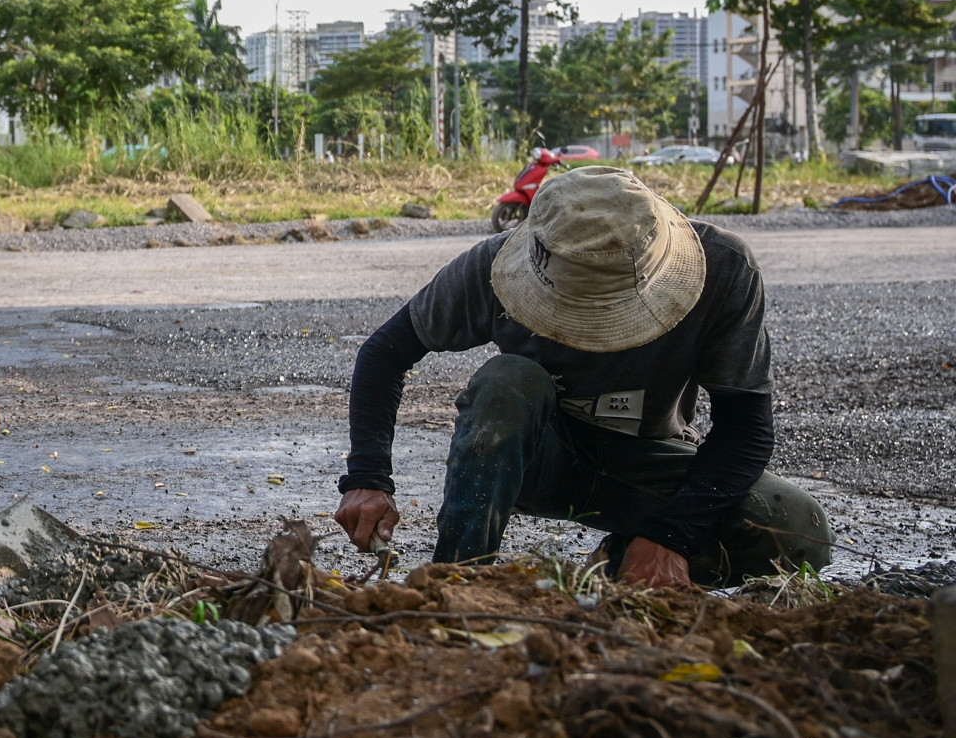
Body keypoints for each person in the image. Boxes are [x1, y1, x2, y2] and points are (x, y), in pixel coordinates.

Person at [334, 165, 831, 588]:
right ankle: (458, 580)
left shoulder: (724, 269)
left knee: (801, 532)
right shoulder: (496, 263)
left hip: (646, 460)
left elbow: (745, 430)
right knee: (507, 381)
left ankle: (614, 567)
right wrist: (367, 478)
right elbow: (384, 353)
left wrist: (670, 537)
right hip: (535, 458)